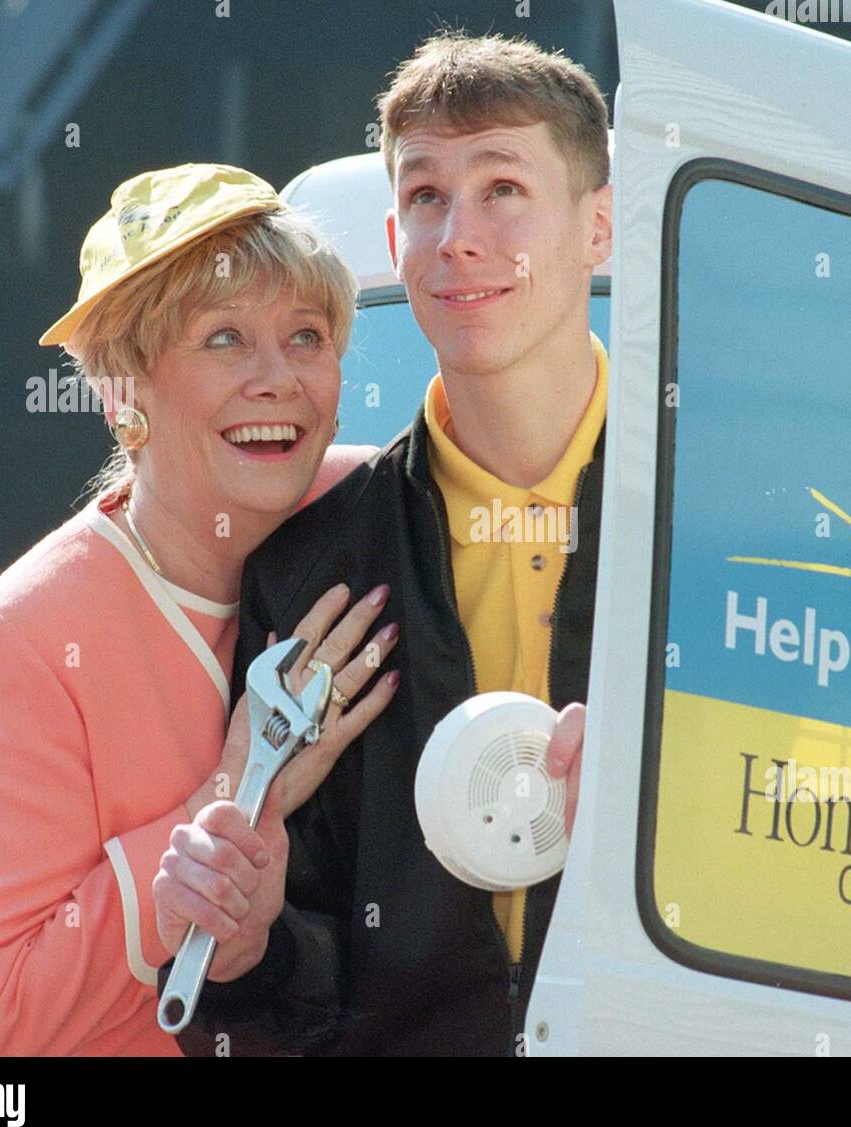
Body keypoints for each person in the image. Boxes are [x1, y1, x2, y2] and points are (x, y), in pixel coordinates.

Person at [154, 34, 610, 1055]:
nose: (456, 236)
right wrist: (248, 942)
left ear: (599, 227)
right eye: (424, 196)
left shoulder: (711, 535)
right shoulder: (310, 570)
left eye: (502, 189)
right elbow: (283, 1002)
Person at [0, 163, 400, 1056]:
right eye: (225, 339)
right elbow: (3, 1021)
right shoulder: (20, 637)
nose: (277, 377)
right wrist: (242, 784)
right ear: (123, 392)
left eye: (307, 335)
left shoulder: (374, 508)